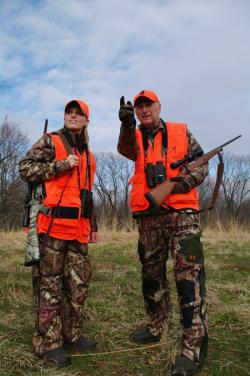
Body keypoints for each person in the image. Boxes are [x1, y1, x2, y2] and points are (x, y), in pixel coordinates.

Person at [117, 90, 209, 376]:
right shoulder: (135, 135)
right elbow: (125, 149)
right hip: (149, 217)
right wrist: (126, 124)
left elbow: (202, 164)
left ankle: (193, 345)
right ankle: (156, 326)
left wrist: (183, 182)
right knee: (151, 275)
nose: (144, 110)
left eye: (149, 106)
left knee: (188, 277)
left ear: (159, 107)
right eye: (140, 107)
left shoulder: (182, 131)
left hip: (182, 215)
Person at [19, 99, 98, 368]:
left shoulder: (88, 154)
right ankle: (48, 343)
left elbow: (87, 193)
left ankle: (71, 334)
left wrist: (93, 225)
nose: (73, 116)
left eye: (79, 113)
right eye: (69, 112)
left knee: (78, 285)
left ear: (87, 120)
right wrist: (59, 166)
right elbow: (25, 168)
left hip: (78, 231)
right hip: (51, 229)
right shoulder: (51, 141)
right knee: (49, 286)